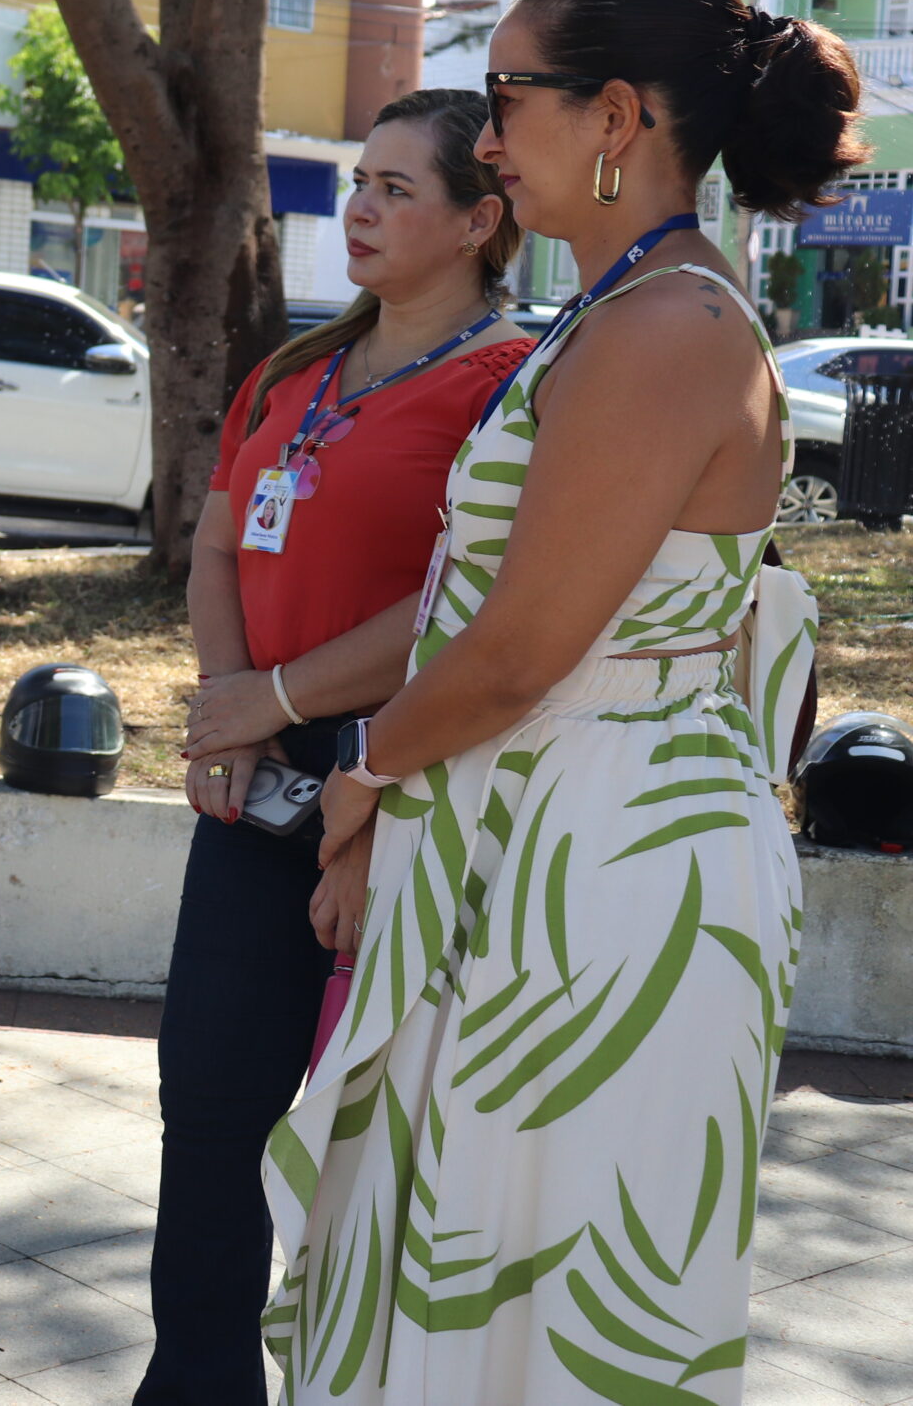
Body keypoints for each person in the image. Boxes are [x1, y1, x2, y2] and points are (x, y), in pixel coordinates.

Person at [266, 0, 860, 1401]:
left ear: (613, 117)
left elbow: (521, 649)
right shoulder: (628, 312)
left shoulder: (665, 327)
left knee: (545, 1322)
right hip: (555, 834)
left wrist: (361, 779)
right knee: (471, 1295)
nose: (485, 139)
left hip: (606, 865)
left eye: (505, 97)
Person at [145, 90, 531, 1406]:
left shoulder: (511, 389)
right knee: (209, 1105)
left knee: (385, 1135)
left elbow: (467, 604)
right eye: (358, 182)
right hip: (255, 776)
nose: (357, 209)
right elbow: (214, 543)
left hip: (412, 777)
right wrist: (228, 709)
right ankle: (196, 1383)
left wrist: (277, 695)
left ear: (479, 221)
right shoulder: (292, 370)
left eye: (395, 190)